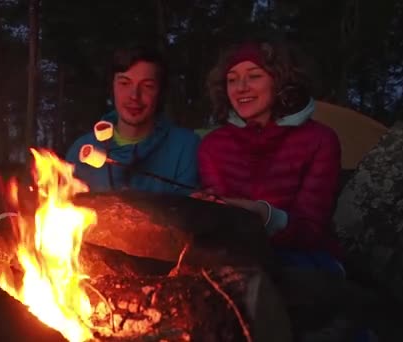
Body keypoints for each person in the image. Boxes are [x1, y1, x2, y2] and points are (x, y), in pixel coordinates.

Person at [197, 35, 344, 275]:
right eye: (232, 80)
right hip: (238, 255)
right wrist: (205, 206)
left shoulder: (320, 140)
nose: (241, 88)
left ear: (281, 80)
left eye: (254, 76)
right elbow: (220, 220)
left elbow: (312, 230)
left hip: (308, 257)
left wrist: (265, 216)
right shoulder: (214, 146)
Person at [65, 45, 200, 195]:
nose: (134, 96)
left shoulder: (185, 147)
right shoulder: (82, 150)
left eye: (148, 86)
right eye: (124, 83)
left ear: (160, 92)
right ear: (112, 86)